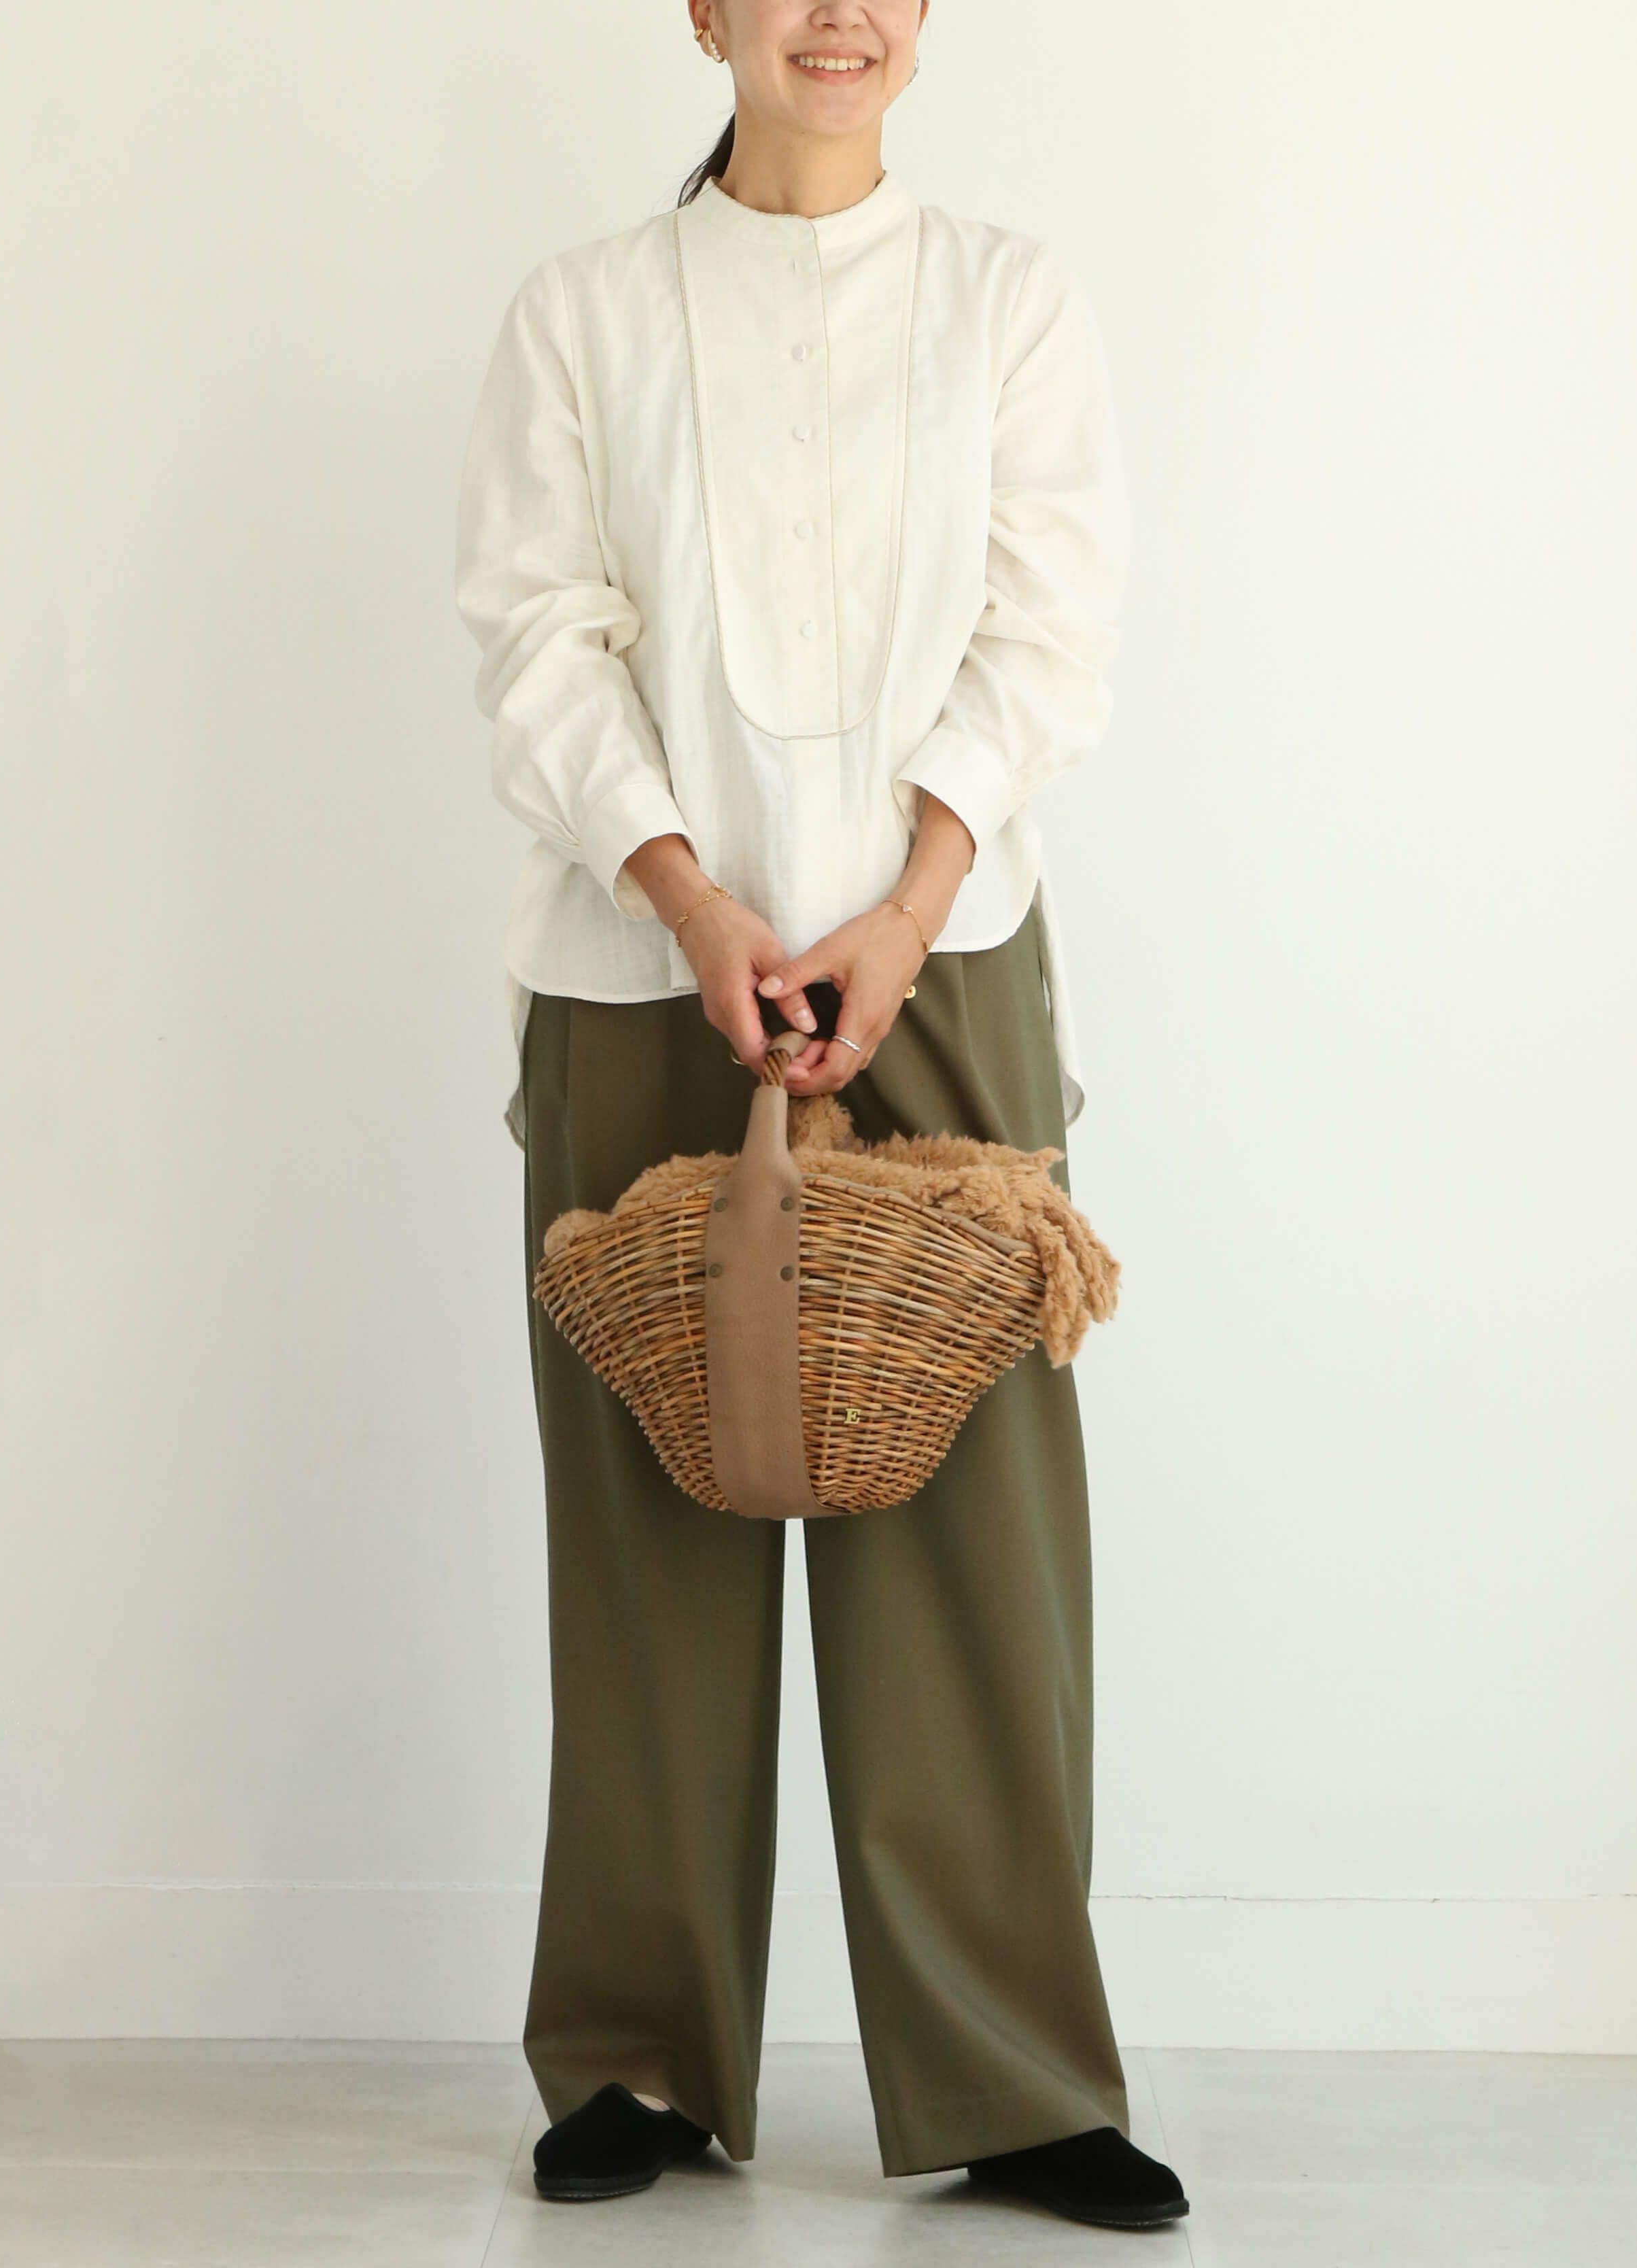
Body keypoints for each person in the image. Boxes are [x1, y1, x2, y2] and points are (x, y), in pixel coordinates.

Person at [453, 0, 1189, 2234]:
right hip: (637, 958)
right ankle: (636, 2060)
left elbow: (1047, 628)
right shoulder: (584, 311)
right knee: (645, 1516)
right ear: (702, 12)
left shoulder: (1004, 297)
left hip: (938, 963)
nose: (836, 15)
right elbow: (538, 635)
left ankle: (1014, 2079)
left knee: (973, 1532)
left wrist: (906, 902)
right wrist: (689, 895)